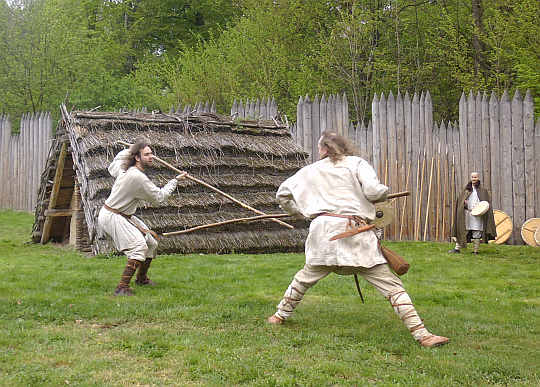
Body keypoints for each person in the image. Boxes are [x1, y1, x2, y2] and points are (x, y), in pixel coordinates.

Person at [267, 131, 449, 348]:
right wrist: (382, 194)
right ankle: (423, 335)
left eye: (319, 149)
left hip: (323, 232)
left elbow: (282, 195)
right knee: (390, 285)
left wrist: (300, 212)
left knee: (305, 278)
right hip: (355, 231)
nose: (319, 152)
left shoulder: (308, 171)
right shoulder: (356, 163)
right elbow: (373, 191)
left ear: (325, 149)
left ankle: (279, 316)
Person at [98, 142, 188, 296]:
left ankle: (141, 278)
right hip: (112, 216)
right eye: (147, 154)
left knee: (151, 242)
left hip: (123, 215)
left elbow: (117, 161)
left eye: (151, 153)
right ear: (137, 158)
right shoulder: (136, 177)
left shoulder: (125, 169)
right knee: (138, 247)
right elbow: (159, 197)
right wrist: (176, 180)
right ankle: (121, 288)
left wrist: (131, 148)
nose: (151, 157)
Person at [448, 172, 496, 254]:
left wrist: (479, 209)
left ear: (478, 178)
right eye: (472, 177)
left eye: (475, 177)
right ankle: (457, 248)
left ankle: (475, 250)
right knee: (463, 230)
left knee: (476, 232)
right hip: (467, 213)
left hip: (477, 215)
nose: (473, 179)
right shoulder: (467, 189)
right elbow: (460, 200)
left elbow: (485, 203)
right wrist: (464, 204)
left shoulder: (482, 190)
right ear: (470, 178)